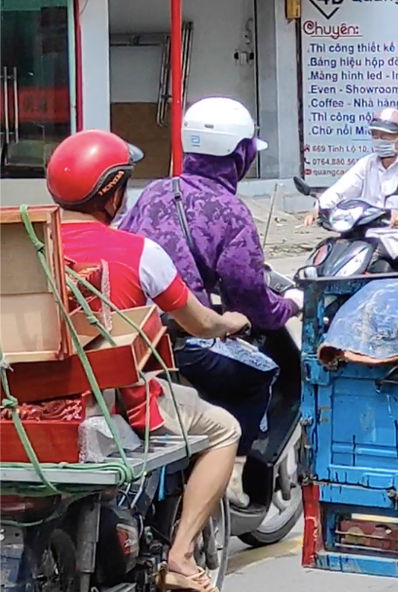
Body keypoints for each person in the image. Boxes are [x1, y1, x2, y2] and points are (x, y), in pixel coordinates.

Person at [46, 129, 250, 592]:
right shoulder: (138, 252)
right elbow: (197, 323)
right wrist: (229, 322)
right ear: (113, 193)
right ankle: (179, 556)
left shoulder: (20, 244)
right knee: (222, 429)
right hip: (107, 404)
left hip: (22, 407)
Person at [120, 97, 303, 507]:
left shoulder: (153, 192)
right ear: (240, 155)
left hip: (136, 339)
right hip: (189, 344)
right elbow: (250, 300)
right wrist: (287, 306)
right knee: (264, 373)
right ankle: (232, 470)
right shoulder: (230, 212)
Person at [304, 108, 398, 272]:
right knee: (346, 265)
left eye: (386, 136)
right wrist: (319, 207)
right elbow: (342, 188)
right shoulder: (367, 164)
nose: (379, 140)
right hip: (376, 237)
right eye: (375, 135)